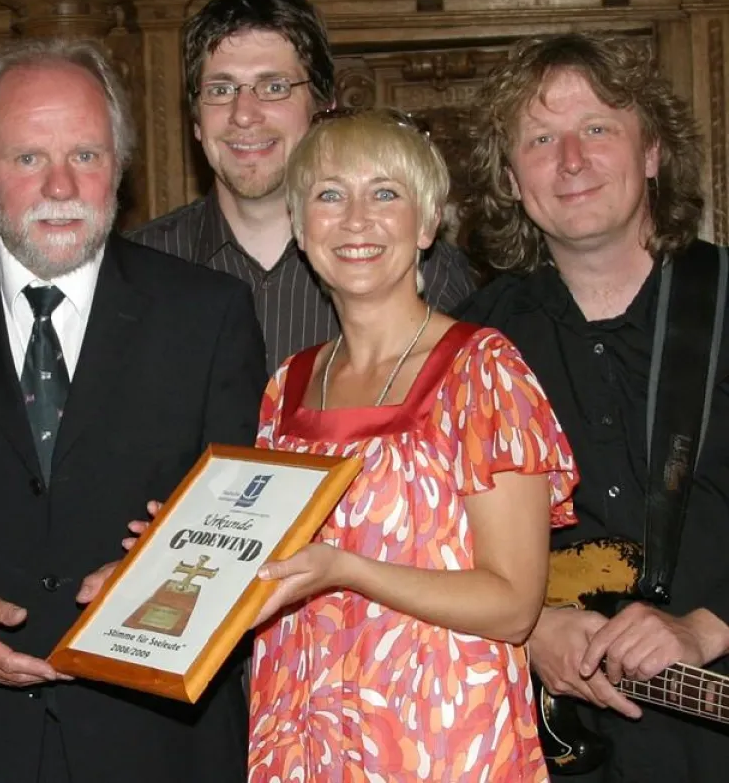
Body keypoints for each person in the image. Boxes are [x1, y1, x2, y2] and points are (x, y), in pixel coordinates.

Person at [0, 37, 267, 782]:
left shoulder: (208, 315)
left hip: (157, 744)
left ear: (119, 169)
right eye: (28, 159)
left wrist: (152, 583)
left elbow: (243, 525)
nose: (61, 185)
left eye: (86, 154)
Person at [246, 109, 578, 781]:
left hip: (441, 740)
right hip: (305, 739)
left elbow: (514, 605)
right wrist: (177, 556)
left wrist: (349, 568)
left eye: (386, 193)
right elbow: (275, 564)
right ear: (301, 227)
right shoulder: (288, 385)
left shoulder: (483, 370)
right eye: (330, 194)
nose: (356, 219)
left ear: (427, 225)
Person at [456, 32, 729, 782]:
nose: (570, 161)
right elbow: (428, 543)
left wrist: (707, 625)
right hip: (543, 752)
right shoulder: (467, 346)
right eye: (540, 139)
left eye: (597, 128)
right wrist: (526, 627)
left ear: (652, 153)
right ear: (511, 179)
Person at [127, 0, 475, 372]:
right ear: (195, 119)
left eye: (274, 87)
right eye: (220, 89)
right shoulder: (134, 271)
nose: (244, 114)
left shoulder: (417, 264)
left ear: (324, 109)